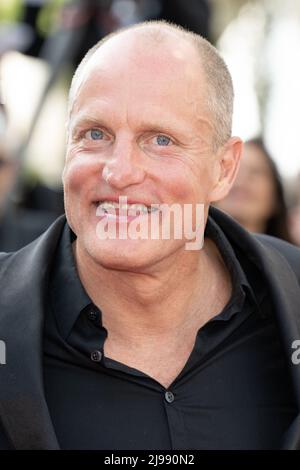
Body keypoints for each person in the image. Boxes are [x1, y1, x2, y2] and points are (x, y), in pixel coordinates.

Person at [1, 20, 300, 451]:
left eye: (160, 140)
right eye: (95, 134)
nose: (120, 172)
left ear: (223, 169)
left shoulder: (290, 296)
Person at [215, 138, 292, 242]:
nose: (242, 179)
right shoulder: (188, 250)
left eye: (255, 172)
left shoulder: (292, 256)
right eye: (234, 170)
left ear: (276, 199)